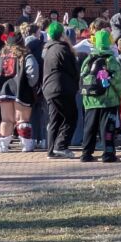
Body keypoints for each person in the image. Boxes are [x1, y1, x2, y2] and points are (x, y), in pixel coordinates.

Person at [0, 33, 40, 152]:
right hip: (21, 90)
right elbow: (33, 72)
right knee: (22, 119)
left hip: (3, 91)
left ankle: (3, 146)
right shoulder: (26, 55)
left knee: (6, 119)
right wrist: (31, 85)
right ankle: (26, 145)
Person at [79, 30, 121, 163]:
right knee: (107, 128)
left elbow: (82, 78)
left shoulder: (88, 59)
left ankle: (86, 153)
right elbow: (116, 81)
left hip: (90, 100)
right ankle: (108, 154)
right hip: (108, 101)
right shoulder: (111, 60)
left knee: (89, 127)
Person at [42, 22, 80, 159]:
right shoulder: (63, 49)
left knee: (55, 119)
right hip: (62, 88)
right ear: (62, 34)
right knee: (71, 116)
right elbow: (73, 70)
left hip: (49, 88)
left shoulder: (48, 49)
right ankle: (61, 146)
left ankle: (51, 150)